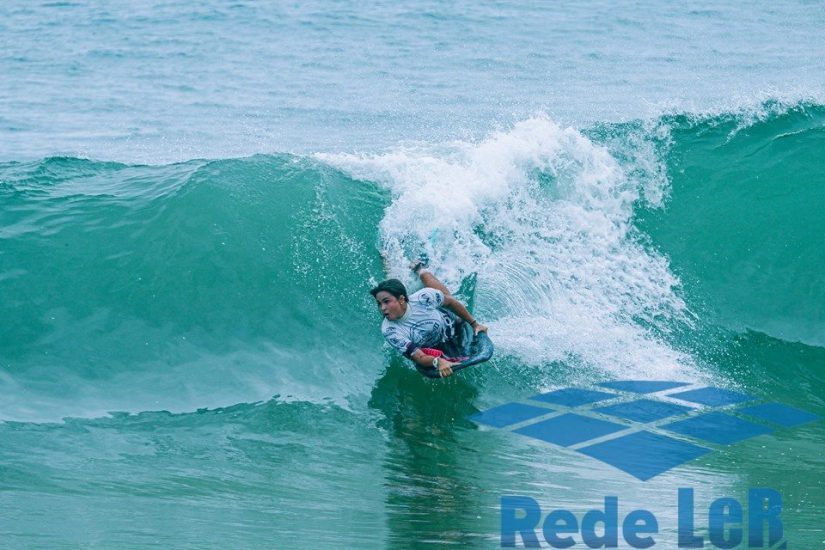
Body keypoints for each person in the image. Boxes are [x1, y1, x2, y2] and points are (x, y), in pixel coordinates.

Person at [370, 261, 488, 378]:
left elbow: (451, 302)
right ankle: (387, 263)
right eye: (379, 304)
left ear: (401, 299)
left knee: (446, 295)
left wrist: (474, 324)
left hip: (448, 320)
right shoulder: (390, 330)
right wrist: (437, 361)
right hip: (431, 347)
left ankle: (419, 269)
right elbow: (418, 357)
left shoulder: (423, 298)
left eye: (386, 302)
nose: (382, 308)